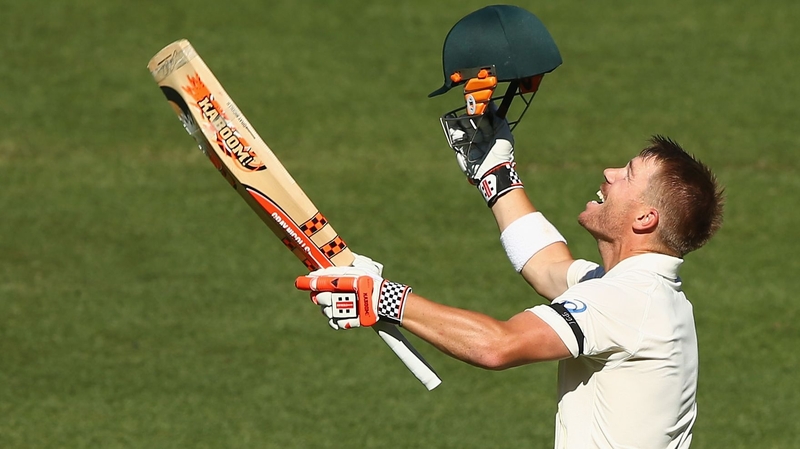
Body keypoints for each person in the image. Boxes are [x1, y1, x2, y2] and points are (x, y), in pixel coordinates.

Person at [295, 101, 725, 448]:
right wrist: (498, 178)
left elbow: (498, 346)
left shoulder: (627, 302)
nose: (609, 174)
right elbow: (546, 265)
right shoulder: (637, 289)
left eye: (627, 175)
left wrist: (381, 298)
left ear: (645, 217)